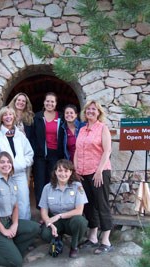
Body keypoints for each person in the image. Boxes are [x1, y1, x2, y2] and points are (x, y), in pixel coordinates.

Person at [74, 100, 113, 254]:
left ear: (98, 113)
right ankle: (92, 237)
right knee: (89, 205)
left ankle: (106, 240)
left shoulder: (103, 128)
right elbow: (77, 150)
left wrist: (99, 171)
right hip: (83, 173)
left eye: (94, 109)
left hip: (99, 172)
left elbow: (107, 150)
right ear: (85, 112)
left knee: (102, 204)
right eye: (88, 109)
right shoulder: (82, 129)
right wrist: (76, 169)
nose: (90, 111)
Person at [39, 159, 88, 258]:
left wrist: (59, 216)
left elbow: (79, 211)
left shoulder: (78, 187)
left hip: (72, 220)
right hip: (56, 222)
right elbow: (43, 212)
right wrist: (50, 223)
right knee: (45, 234)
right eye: (60, 170)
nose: (63, 174)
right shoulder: (47, 188)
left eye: (66, 171)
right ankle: (58, 238)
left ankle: (74, 246)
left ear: (70, 172)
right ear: (55, 172)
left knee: (80, 222)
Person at [0, 106, 33, 220]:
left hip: (20, 174)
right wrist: (1, 167)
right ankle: (8, 230)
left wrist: (22, 163)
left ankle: (24, 230)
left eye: (10, 114)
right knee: (5, 203)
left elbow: (29, 153)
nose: (8, 117)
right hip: (4, 175)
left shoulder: (20, 135)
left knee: (23, 202)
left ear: (14, 117)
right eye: (5, 115)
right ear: (1, 118)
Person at [33, 92, 64, 208]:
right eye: (47, 101)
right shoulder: (37, 116)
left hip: (56, 155)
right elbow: (32, 136)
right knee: (40, 183)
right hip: (40, 155)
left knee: (53, 182)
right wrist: (35, 151)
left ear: (56, 104)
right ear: (44, 102)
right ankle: (41, 210)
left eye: (52, 101)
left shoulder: (61, 117)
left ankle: (53, 208)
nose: (49, 103)